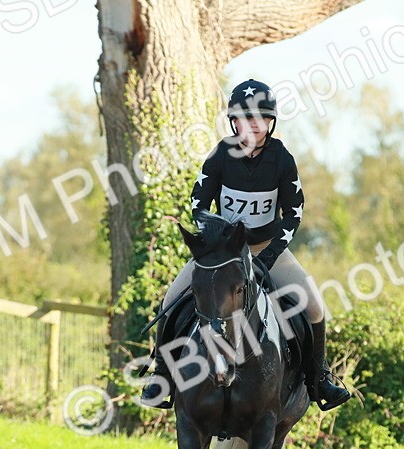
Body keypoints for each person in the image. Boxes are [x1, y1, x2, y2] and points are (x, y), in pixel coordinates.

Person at [142, 78, 351, 411]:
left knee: (314, 305)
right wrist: (216, 241)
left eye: (261, 118)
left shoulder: (282, 159)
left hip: (267, 249)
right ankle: (161, 377)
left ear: (270, 122)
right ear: (234, 122)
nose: (253, 125)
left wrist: (268, 257)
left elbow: (293, 213)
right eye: (245, 118)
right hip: (224, 254)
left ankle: (319, 379)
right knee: (170, 300)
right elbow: (198, 204)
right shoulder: (220, 155)